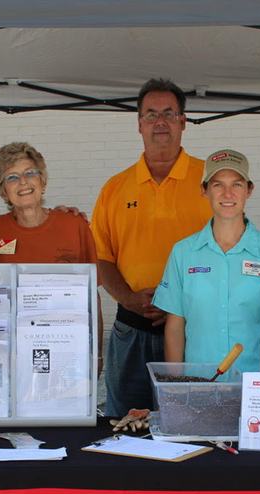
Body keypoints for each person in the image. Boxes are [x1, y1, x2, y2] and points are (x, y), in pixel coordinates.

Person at [91, 78, 212, 417]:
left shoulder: (211, 181)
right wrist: (128, 298)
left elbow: (229, 254)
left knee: (191, 428)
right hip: (132, 330)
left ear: (183, 122)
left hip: (194, 332)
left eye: (170, 113)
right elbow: (100, 257)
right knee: (125, 427)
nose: (160, 122)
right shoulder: (115, 188)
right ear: (139, 124)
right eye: (151, 114)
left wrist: (181, 300)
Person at [153, 149, 260, 373]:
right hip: (198, 384)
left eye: (236, 184)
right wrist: (175, 387)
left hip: (253, 384)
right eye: (218, 185)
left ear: (249, 190)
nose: (228, 194)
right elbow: (175, 326)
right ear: (204, 190)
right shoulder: (183, 252)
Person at [0, 141, 104, 366]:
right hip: (15, 352)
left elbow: (92, 297)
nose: (23, 182)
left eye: (30, 173)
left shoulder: (74, 225)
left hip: (68, 347)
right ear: (3, 190)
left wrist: (96, 353)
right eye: (12, 177)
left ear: (42, 180)